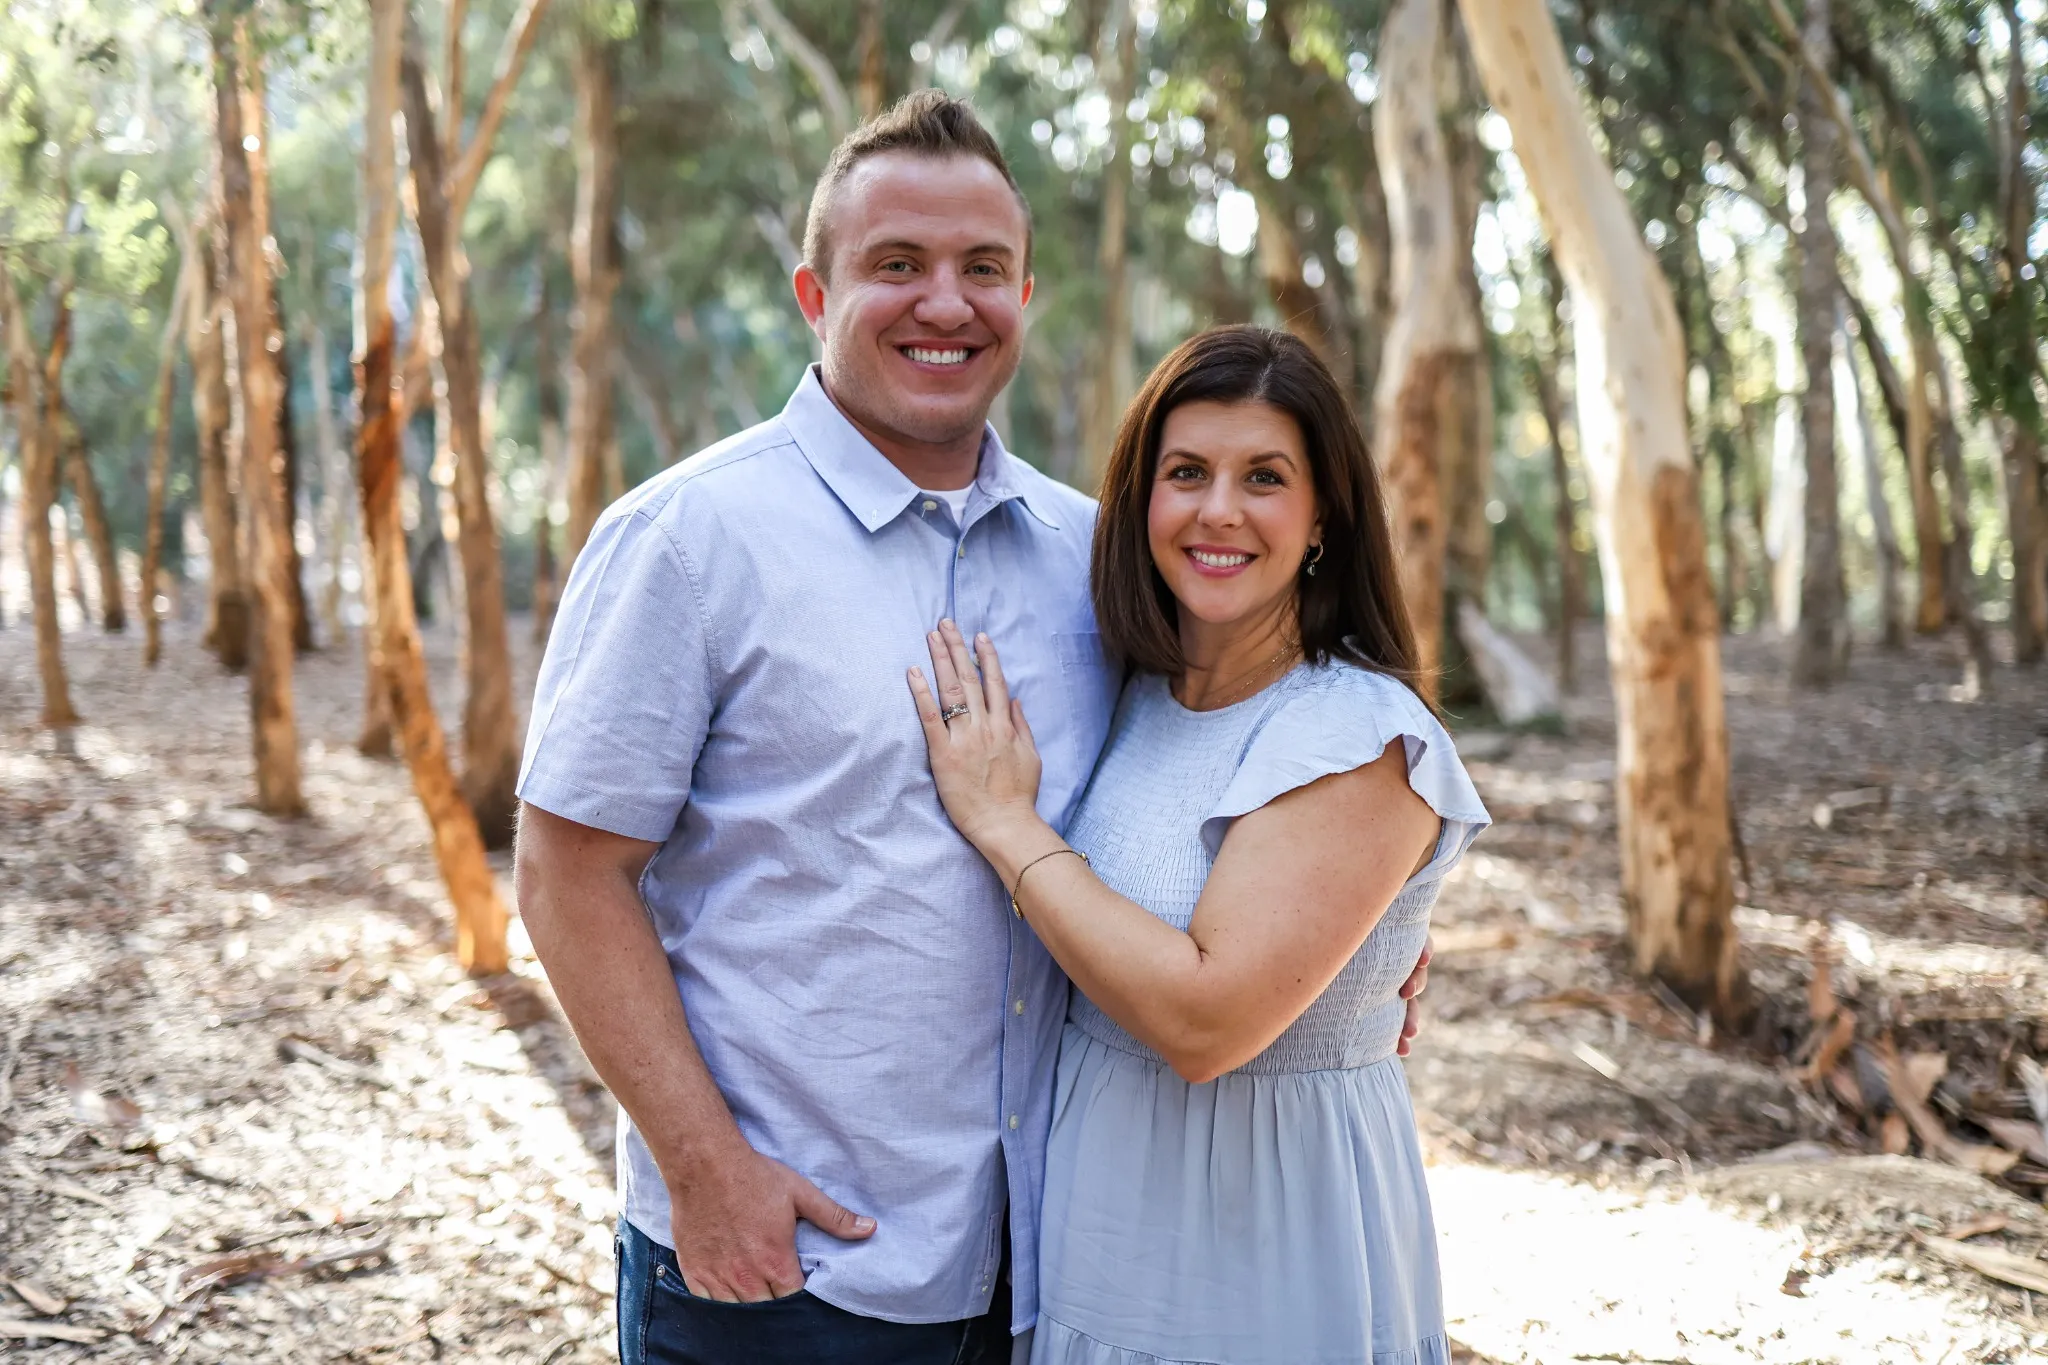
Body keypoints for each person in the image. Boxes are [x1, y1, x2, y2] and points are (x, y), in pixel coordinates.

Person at [514, 91, 1429, 1365]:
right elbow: (567, 869)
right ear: (811, 293)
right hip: (785, 1264)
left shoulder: (1096, 559)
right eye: (896, 265)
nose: (943, 303)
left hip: (1042, 1265)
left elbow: (1214, 790)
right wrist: (704, 1168)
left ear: (1024, 294)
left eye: (980, 269)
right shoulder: (690, 540)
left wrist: (1354, 967)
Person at [909, 324, 1489, 1365]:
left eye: (1263, 477)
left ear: (1321, 519)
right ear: (1141, 501)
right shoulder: (1137, 694)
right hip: (1101, 1223)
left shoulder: (1354, 737)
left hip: (1256, 1234)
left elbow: (1203, 1021)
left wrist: (1007, 826)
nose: (1217, 509)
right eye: (1186, 473)